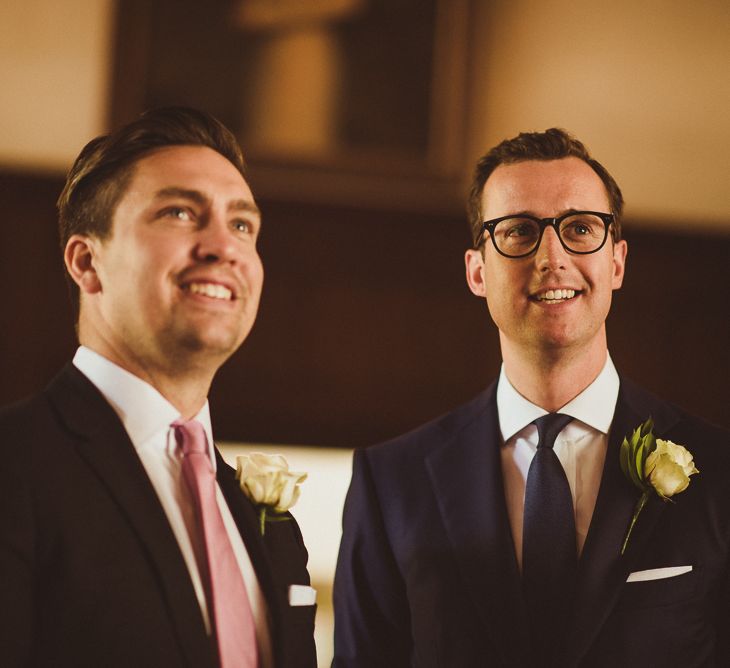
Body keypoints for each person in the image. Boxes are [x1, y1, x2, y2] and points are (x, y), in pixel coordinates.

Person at [333, 128, 730, 667]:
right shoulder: (391, 484)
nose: (552, 257)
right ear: (477, 271)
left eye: (581, 228)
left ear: (616, 262)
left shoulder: (721, 469)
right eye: (519, 231)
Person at [0, 107, 317, 668]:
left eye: (242, 224)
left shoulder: (272, 528)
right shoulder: (15, 463)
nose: (225, 246)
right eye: (178, 213)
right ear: (86, 262)